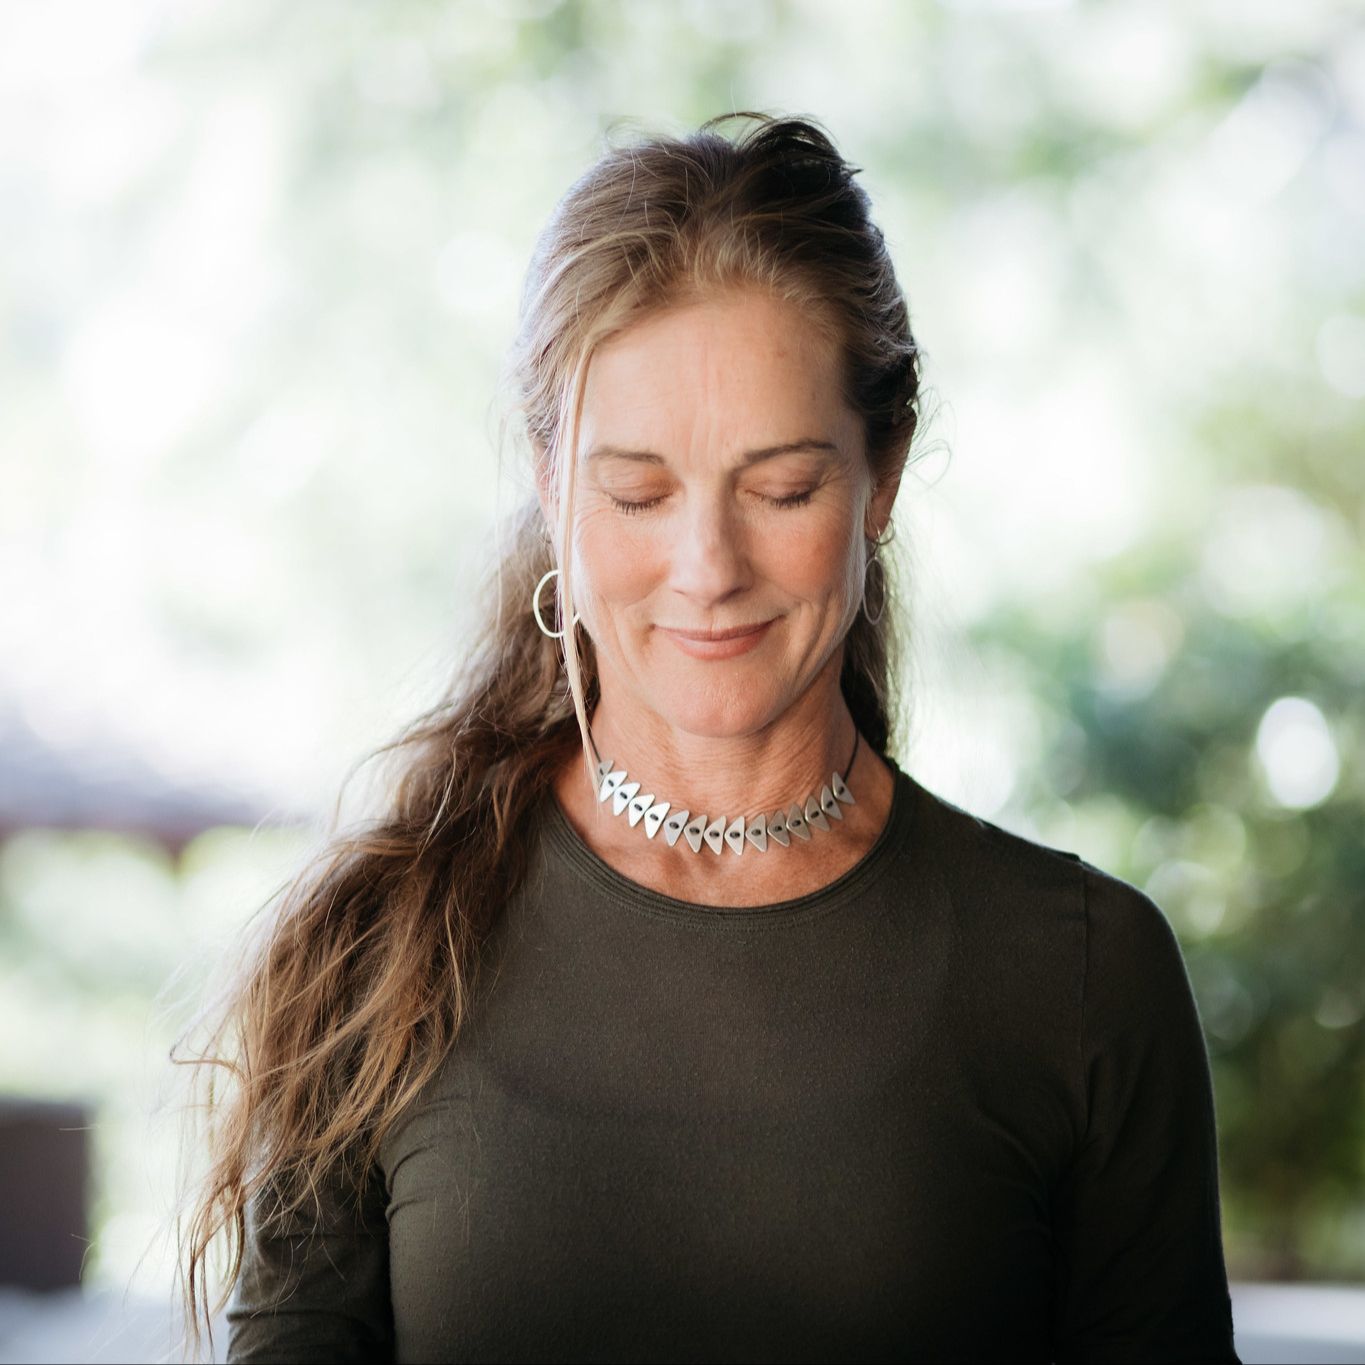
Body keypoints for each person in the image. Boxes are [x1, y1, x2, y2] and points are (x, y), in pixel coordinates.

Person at [172, 112, 1240, 1363]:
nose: (708, 568)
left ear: (883, 474)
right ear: (550, 483)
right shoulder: (379, 948)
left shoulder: (1083, 974)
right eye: (638, 493)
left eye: (782, 489)